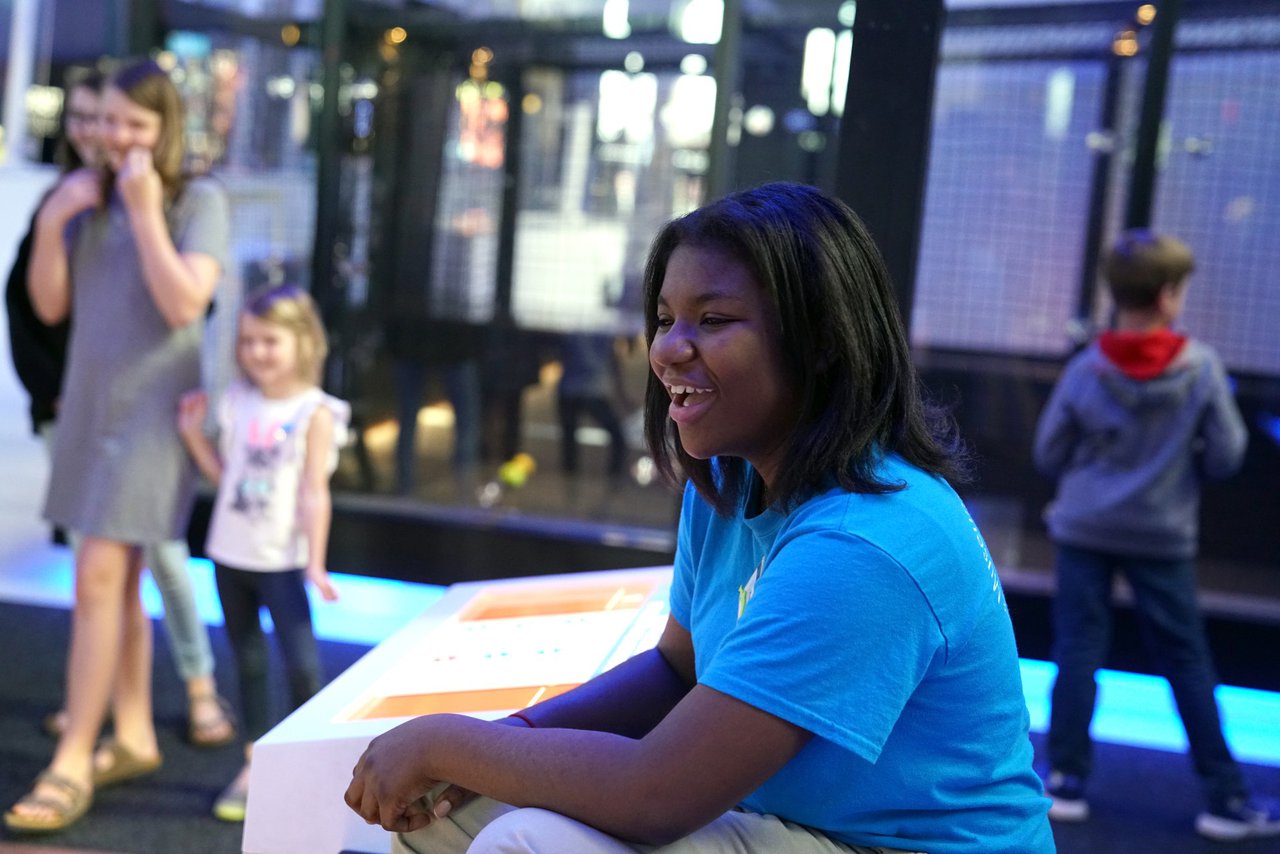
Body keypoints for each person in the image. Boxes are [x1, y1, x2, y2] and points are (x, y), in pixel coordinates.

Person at [345, 182, 1054, 853]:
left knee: (526, 842)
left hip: (892, 844)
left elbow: (657, 794)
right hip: (791, 821)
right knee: (444, 815)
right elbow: (676, 668)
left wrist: (450, 743)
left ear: (823, 343)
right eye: (663, 319)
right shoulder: (727, 476)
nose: (667, 350)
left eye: (712, 321)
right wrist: (507, 739)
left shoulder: (866, 543)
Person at [4, 58, 231, 834]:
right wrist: (51, 220)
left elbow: (182, 304)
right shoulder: (83, 196)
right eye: (105, 122)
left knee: (99, 578)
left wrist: (140, 210)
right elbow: (49, 305)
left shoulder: (198, 202)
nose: (117, 138)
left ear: (167, 128)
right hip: (88, 409)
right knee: (118, 577)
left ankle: (72, 756)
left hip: (158, 418)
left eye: (137, 124)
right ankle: (131, 734)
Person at [1034, 229, 1279, 842]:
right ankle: (1225, 797)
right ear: (1169, 295)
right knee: (1186, 661)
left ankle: (1064, 778)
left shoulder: (1087, 368)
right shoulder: (1201, 369)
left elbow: (1048, 452)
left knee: (1077, 652)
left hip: (1085, 527)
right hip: (1162, 532)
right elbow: (1225, 456)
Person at [177, 282, 349, 822]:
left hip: (282, 561)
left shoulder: (316, 412)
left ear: (303, 341)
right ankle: (256, 762)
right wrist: (192, 436)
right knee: (248, 661)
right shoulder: (237, 401)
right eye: (247, 341)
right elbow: (229, 478)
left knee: (301, 666)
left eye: (269, 341)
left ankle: (309, 763)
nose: (255, 352)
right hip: (230, 555)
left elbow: (313, 492)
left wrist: (316, 562)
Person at [556, 330, 631, 477]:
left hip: (577, 389)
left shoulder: (580, 331)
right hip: (585, 391)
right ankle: (610, 477)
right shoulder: (600, 332)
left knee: (570, 441)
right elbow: (612, 362)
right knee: (616, 436)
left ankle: (573, 477)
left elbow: (611, 361)